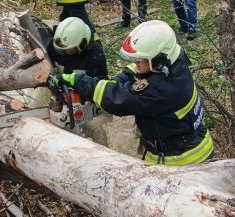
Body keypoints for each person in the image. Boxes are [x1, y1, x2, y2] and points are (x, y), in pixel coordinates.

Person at [52, 20, 214, 166]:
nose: (134, 64)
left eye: (138, 60)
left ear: (157, 59)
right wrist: (121, 78)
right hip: (189, 144)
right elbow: (137, 72)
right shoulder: (174, 63)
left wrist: (78, 81)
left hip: (181, 160)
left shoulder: (160, 89)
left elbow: (116, 100)